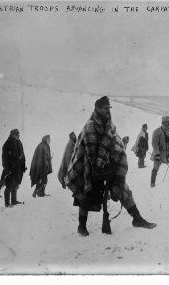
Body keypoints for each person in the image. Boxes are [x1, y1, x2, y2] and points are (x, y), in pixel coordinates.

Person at [66, 96, 156, 237]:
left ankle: (137, 219)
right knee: (86, 194)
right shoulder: (90, 126)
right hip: (90, 166)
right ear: (97, 109)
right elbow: (91, 152)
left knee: (121, 188)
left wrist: (112, 163)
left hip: (108, 164)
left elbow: (114, 145)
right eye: (105, 108)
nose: (108, 111)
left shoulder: (110, 126)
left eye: (109, 108)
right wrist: (100, 168)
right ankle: (81, 226)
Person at [0, 129, 26, 207]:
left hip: (18, 168)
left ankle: (14, 201)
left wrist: (23, 165)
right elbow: (4, 158)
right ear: (12, 135)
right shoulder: (7, 143)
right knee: (9, 185)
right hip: (10, 168)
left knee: (15, 184)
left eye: (18, 134)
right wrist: (7, 169)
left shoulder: (19, 142)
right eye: (16, 134)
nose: (18, 135)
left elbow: (22, 155)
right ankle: (7, 203)